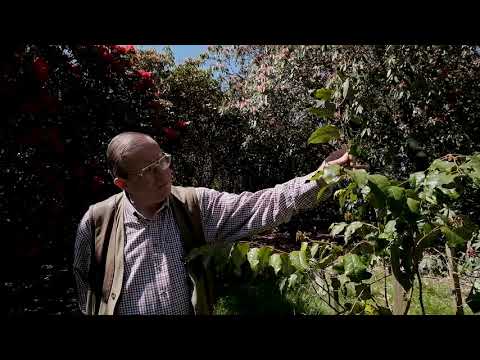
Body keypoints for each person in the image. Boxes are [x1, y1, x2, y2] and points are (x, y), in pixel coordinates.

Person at [73, 131, 354, 315]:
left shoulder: (195, 206)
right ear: (123, 183)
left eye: (163, 161)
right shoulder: (97, 222)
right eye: (149, 171)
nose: (164, 174)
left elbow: (262, 205)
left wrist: (321, 176)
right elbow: (87, 291)